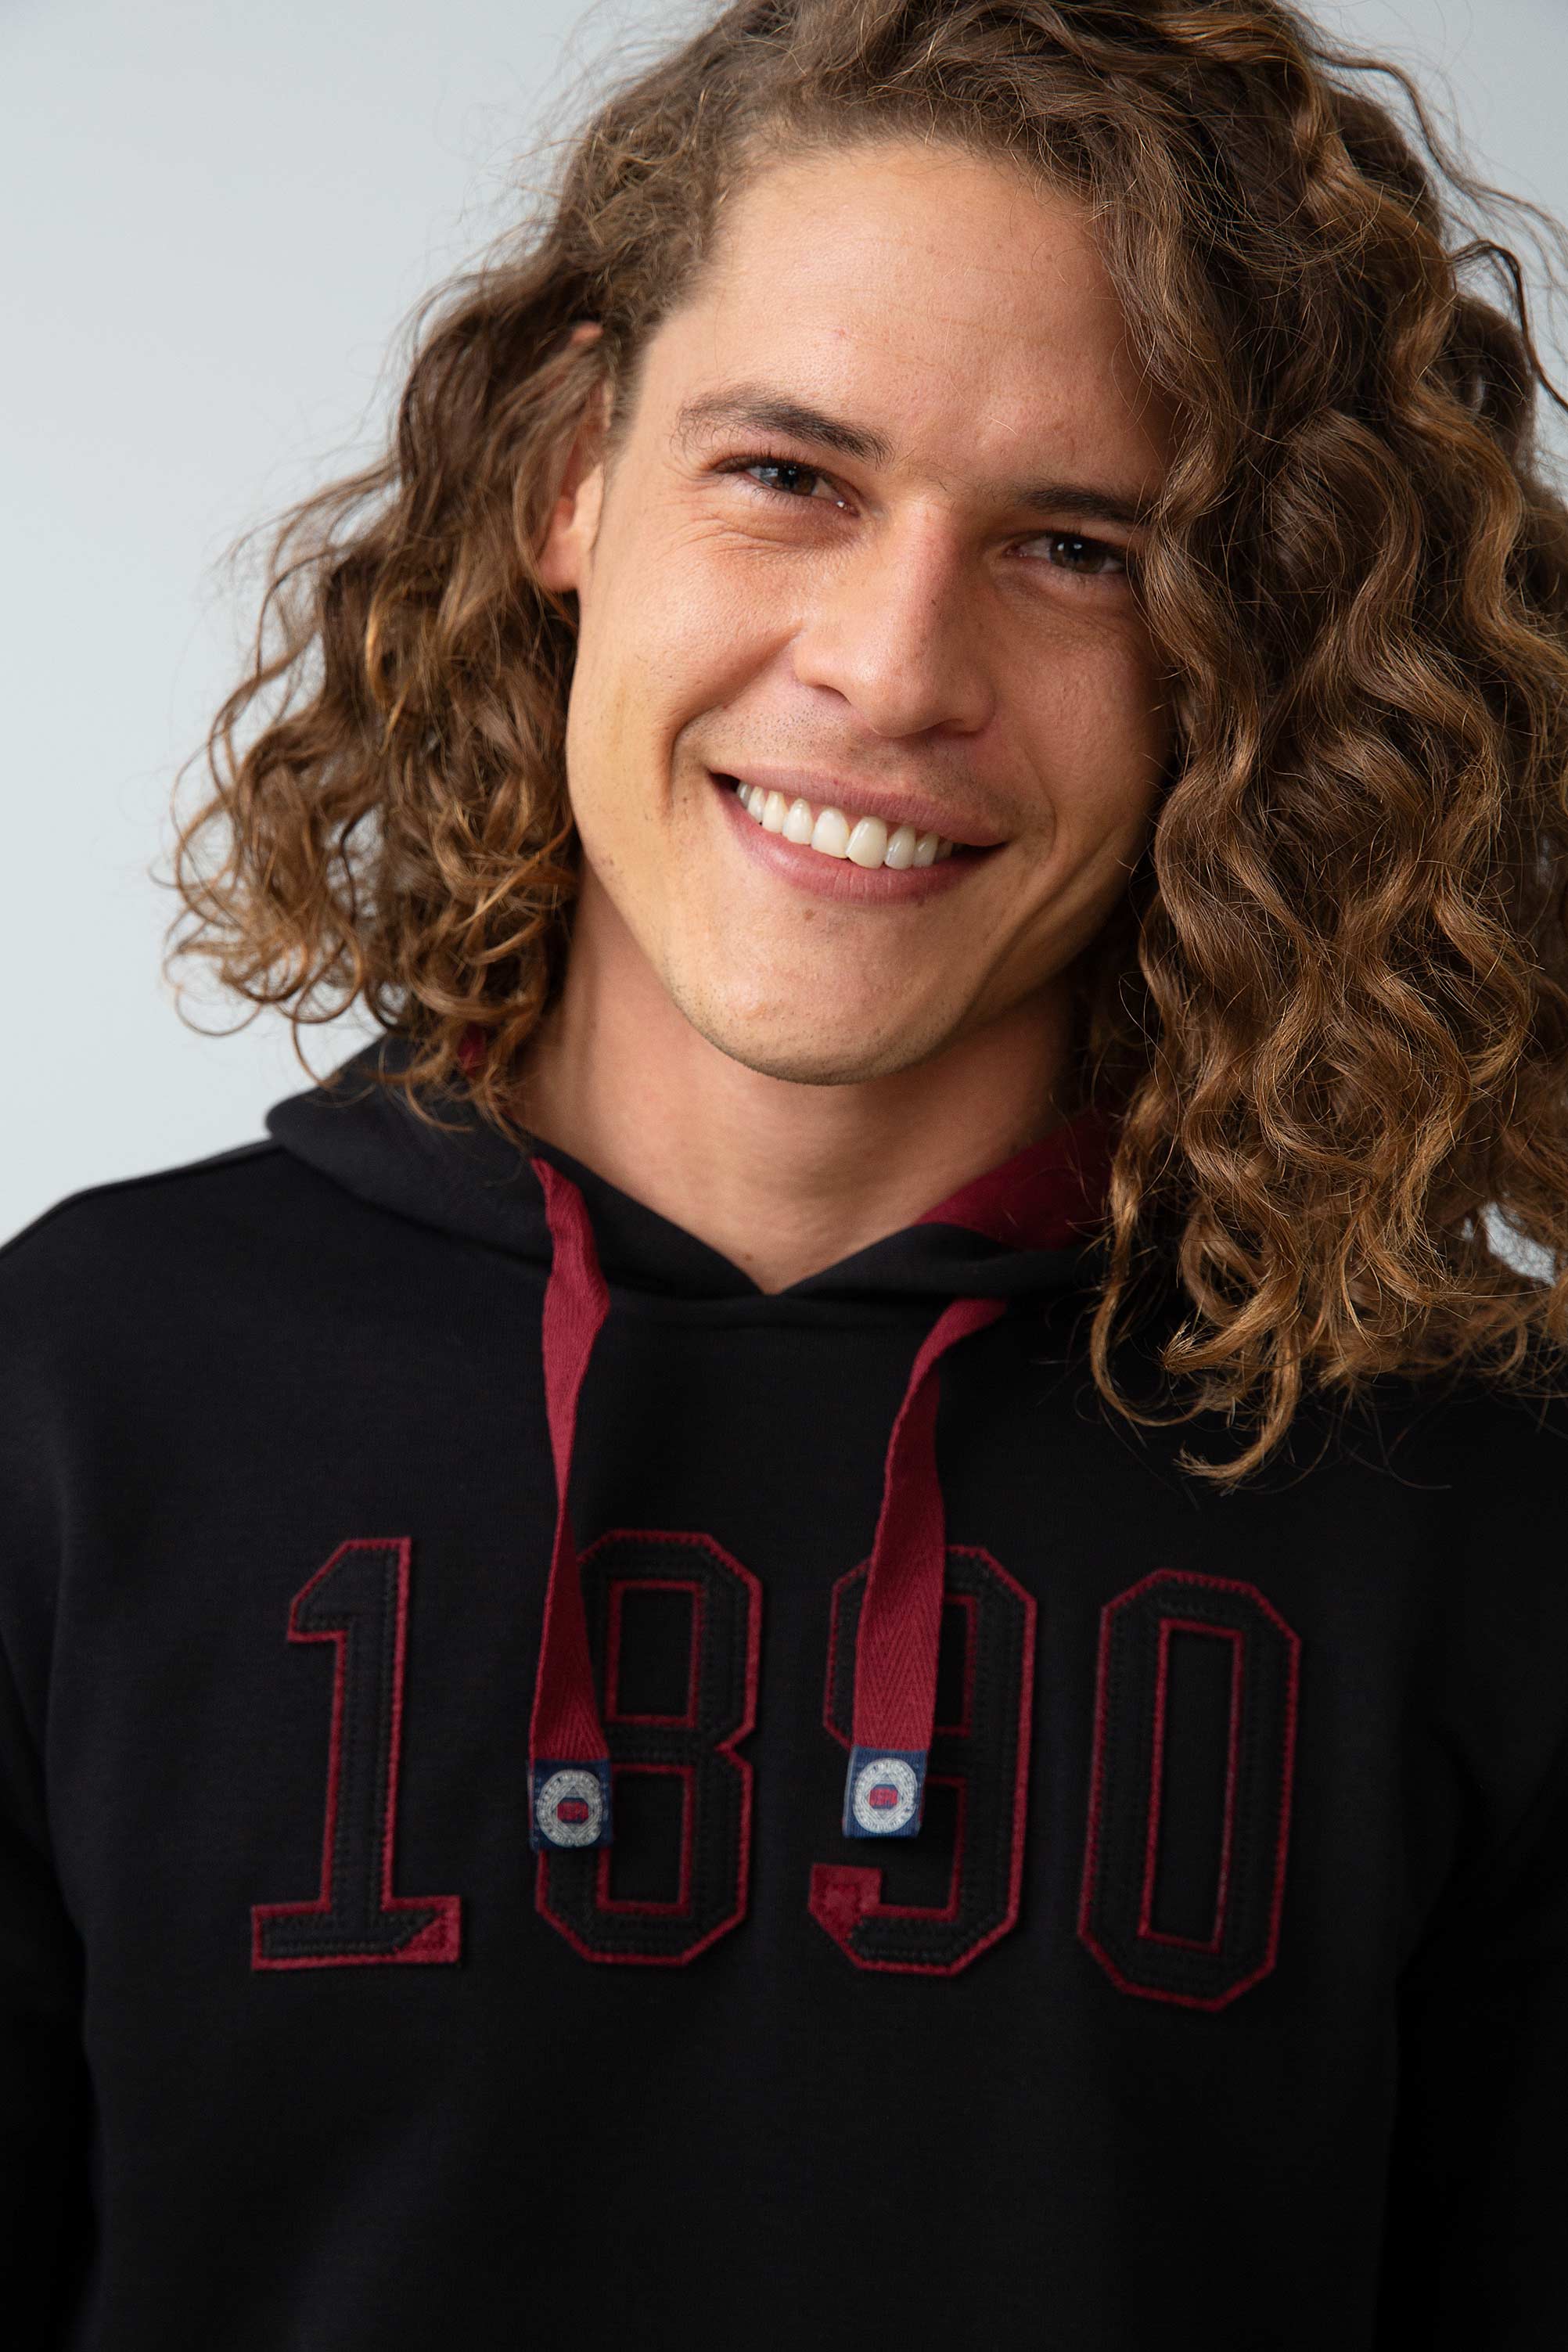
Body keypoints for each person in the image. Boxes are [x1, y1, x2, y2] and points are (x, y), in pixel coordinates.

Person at [5, 0, 1568, 2342]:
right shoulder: (75, 1401)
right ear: (569, 476)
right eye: (791, 477)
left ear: (1248, 650)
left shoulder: (1476, 1507)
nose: (893, 665)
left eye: (1078, 546)